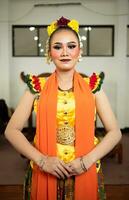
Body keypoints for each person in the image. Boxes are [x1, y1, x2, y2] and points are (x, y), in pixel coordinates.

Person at [5, 16, 122, 200]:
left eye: (71, 46)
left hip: (84, 169)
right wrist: (43, 161)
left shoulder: (93, 86)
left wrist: (86, 162)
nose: (65, 52)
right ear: (49, 53)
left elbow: (115, 132)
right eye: (58, 47)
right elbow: (11, 130)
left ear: (79, 51)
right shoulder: (37, 87)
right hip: (46, 170)